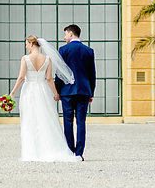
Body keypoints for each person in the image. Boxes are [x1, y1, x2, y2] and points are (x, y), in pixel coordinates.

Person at [8, 35, 78, 162]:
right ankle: (49, 148)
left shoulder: (25, 58)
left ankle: (32, 152)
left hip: (29, 90)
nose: (25, 46)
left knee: (30, 119)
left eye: (26, 43)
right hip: (43, 90)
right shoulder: (47, 59)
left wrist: (12, 92)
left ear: (31, 43)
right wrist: (56, 94)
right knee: (46, 118)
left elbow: (21, 78)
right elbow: (49, 79)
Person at [57, 24, 96, 160]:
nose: (64, 37)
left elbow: (60, 73)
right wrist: (91, 93)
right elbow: (92, 74)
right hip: (84, 91)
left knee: (67, 121)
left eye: (65, 34)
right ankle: (79, 153)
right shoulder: (88, 51)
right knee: (81, 122)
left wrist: (57, 91)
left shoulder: (63, 50)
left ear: (71, 34)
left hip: (67, 92)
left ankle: (69, 151)